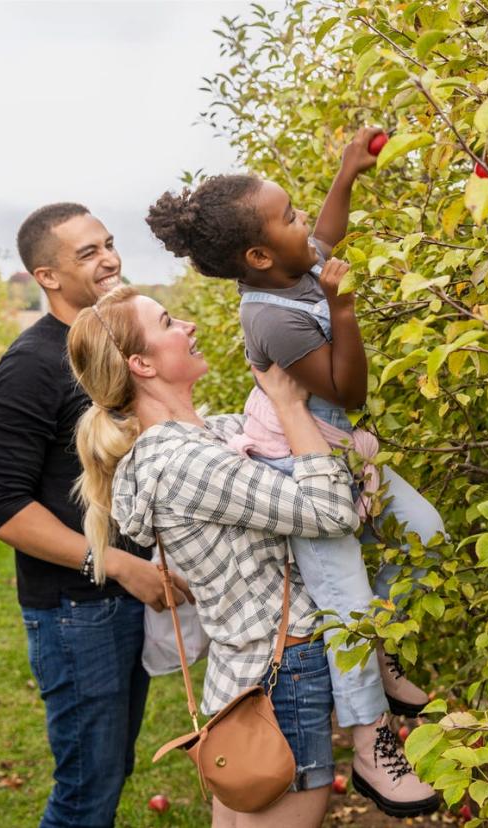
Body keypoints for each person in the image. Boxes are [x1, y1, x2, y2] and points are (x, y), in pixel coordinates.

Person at [143, 128, 443, 817]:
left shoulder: (292, 266)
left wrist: (348, 174)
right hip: (301, 473)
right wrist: (343, 308)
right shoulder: (270, 318)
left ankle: (386, 654)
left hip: (344, 454)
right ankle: (372, 748)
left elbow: (326, 237)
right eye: (290, 217)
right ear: (257, 254)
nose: (305, 221)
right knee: (347, 611)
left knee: (426, 532)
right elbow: (346, 391)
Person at [67, 285, 363, 827]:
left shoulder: (207, 436)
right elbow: (331, 511)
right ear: (141, 363)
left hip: (244, 676)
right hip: (280, 673)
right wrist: (291, 405)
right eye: (167, 322)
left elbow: (262, 442)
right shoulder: (184, 461)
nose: (188, 326)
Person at [0, 203, 191, 828]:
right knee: (85, 792)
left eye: (110, 244)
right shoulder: (32, 366)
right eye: (88, 253)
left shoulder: (108, 348)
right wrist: (121, 565)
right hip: (77, 610)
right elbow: (0, 506)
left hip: (119, 597)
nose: (111, 260)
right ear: (46, 276)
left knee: (109, 769)